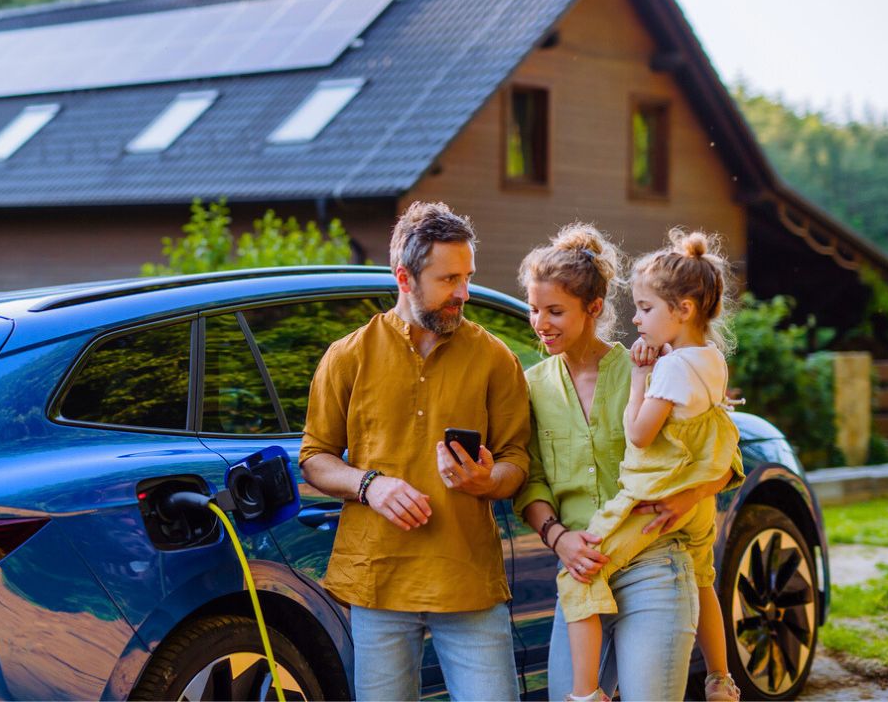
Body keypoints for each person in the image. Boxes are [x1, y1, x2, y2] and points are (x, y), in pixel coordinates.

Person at [300, 201, 531, 702]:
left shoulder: (496, 359)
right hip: (378, 581)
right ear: (405, 278)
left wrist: (488, 481)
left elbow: (517, 461)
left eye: (467, 277)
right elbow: (315, 457)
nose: (464, 293)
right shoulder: (348, 356)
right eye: (449, 280)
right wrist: (370, 485)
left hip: (467, 580)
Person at [515, 223, 744, 702]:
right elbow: (531, 481)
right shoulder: (532, 386)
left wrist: (687, 497)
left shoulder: (654, 364)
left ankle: (720, 677)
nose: (541, 323)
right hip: (582, 566)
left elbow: (719, 456)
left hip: (656, 562)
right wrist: (560, 539)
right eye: (535, 310)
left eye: (555, 311)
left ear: (594, 309)